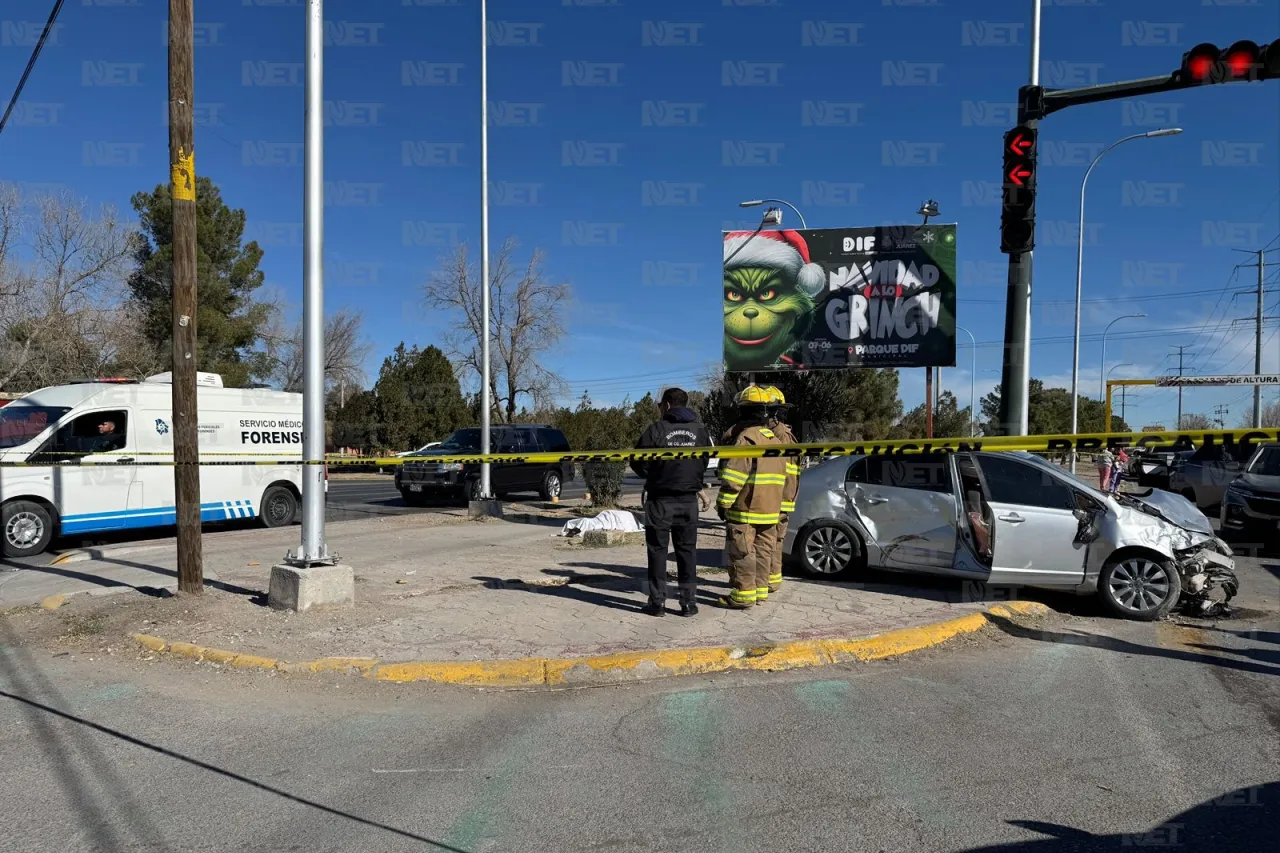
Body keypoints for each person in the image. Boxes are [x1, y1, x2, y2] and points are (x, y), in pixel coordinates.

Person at [631, 388, 711, 617]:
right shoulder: (700, 431)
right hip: (688, 501)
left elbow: (637, 461)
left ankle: (657, 603)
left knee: (657, 551)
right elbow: (705, 461)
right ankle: (689, 603)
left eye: (660, 405)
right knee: (687, 552)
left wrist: (655, 476)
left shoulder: (656, 430)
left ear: (667, 405)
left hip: (660, 500)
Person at [715, 385, 787, 609]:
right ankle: (760, 592)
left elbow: (735, 475)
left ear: (744, 410)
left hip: (746, 508)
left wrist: (723, 503)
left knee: (743, 551)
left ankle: (743, 595)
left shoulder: (747, 438)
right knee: (764, 551)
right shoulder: (773, 439)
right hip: (770, 509)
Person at [763, 386, 800, 595]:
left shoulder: (780, 436)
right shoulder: (778, 434)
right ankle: (772, 580)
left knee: (772, 542)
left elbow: (782, 473)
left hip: (779, 500)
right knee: (773, 541)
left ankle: (771, 580)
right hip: (779, 498)